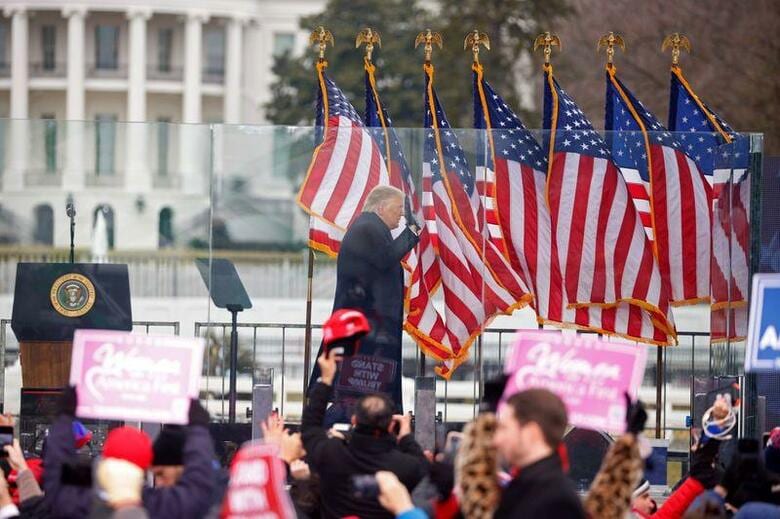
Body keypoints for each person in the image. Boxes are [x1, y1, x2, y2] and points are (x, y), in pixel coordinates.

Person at [309, 185, 420, 413]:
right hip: (364, 330)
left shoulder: (371, 228)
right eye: (398, 209)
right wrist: (413, 230)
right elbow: (385, 259)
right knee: (356, 391)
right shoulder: (367, 228)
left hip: (368, 327)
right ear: (381, 207)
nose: (401, 216)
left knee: (365, 389)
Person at [43, 387, 217, 518]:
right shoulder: (161, 506)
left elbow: (56, 471)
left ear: (105, 462)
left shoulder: (75, 503)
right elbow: (198, 486)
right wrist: (198, 427)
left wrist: (64, 418)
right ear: (144, 469)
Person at [302, 349, 428, 519]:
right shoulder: (406, 466)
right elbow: (424, 472)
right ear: (392, 425)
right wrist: (406, 438)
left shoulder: (332, 455)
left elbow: (310, 428)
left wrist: (325, 380)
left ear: (354, 420)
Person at [492, 388, 586, 518]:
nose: (496, 439)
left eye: (504, 428)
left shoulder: (557, 501)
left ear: (531, 433)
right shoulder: (526, 487)